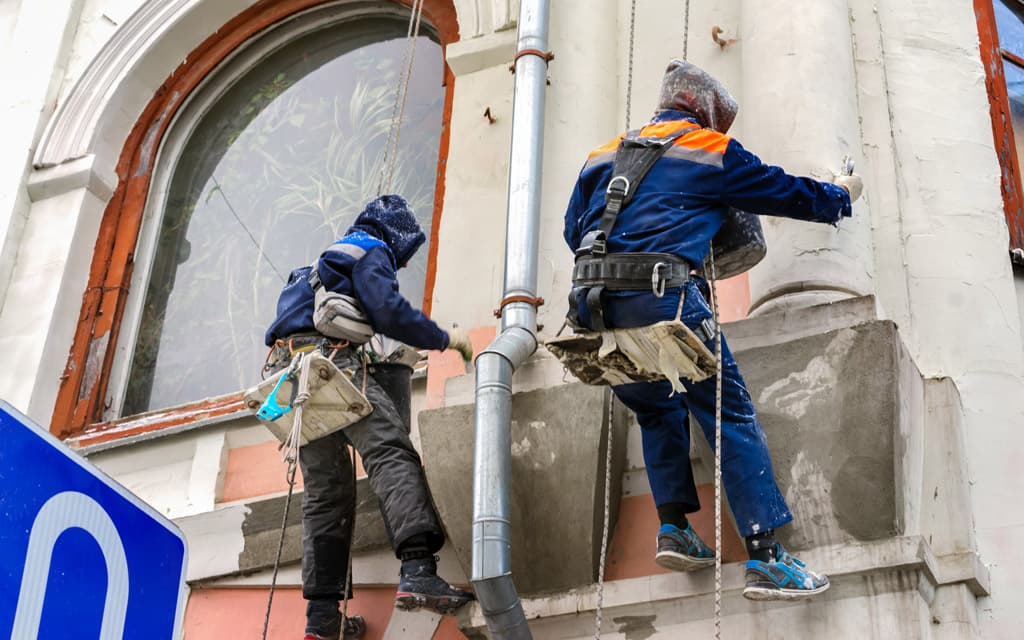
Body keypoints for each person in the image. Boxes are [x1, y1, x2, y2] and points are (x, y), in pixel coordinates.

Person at [562, 59, 864, 600]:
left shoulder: (600, 156)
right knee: (729, 412)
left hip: (593, 310)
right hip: (664, 299)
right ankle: (767, 557)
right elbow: (783, 190)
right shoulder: (710, 150)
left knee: (657, 406)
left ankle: (675, 526)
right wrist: (840, 194)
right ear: (706, 113)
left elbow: (573, 231)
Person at [264, 195, 475, 640]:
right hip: (329, 365)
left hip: (286, 381)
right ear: (395, 235)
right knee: (390, 452)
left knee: (326, 493)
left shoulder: (309, 273)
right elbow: (388, 311)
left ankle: (322, 621)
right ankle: (418, 571)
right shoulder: (368, 248)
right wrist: (444, 338)